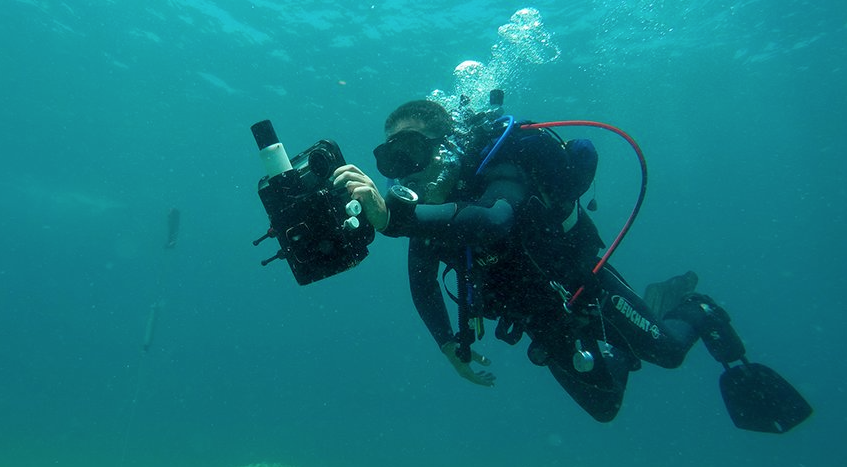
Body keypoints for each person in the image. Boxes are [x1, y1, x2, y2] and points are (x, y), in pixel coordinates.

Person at [332, 99, 811, 432]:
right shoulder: (426, 212)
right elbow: (422, 285)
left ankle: (697, 309)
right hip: (541, 319)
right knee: (605, 408)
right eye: (391, 158)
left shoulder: (500, 169)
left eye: (411, 150)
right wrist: (446, 346)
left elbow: (497, 222)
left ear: (447, 143)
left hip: (587, 286)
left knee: (666, 352)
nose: (405, 168)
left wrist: (393, 216)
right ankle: (624, 343)